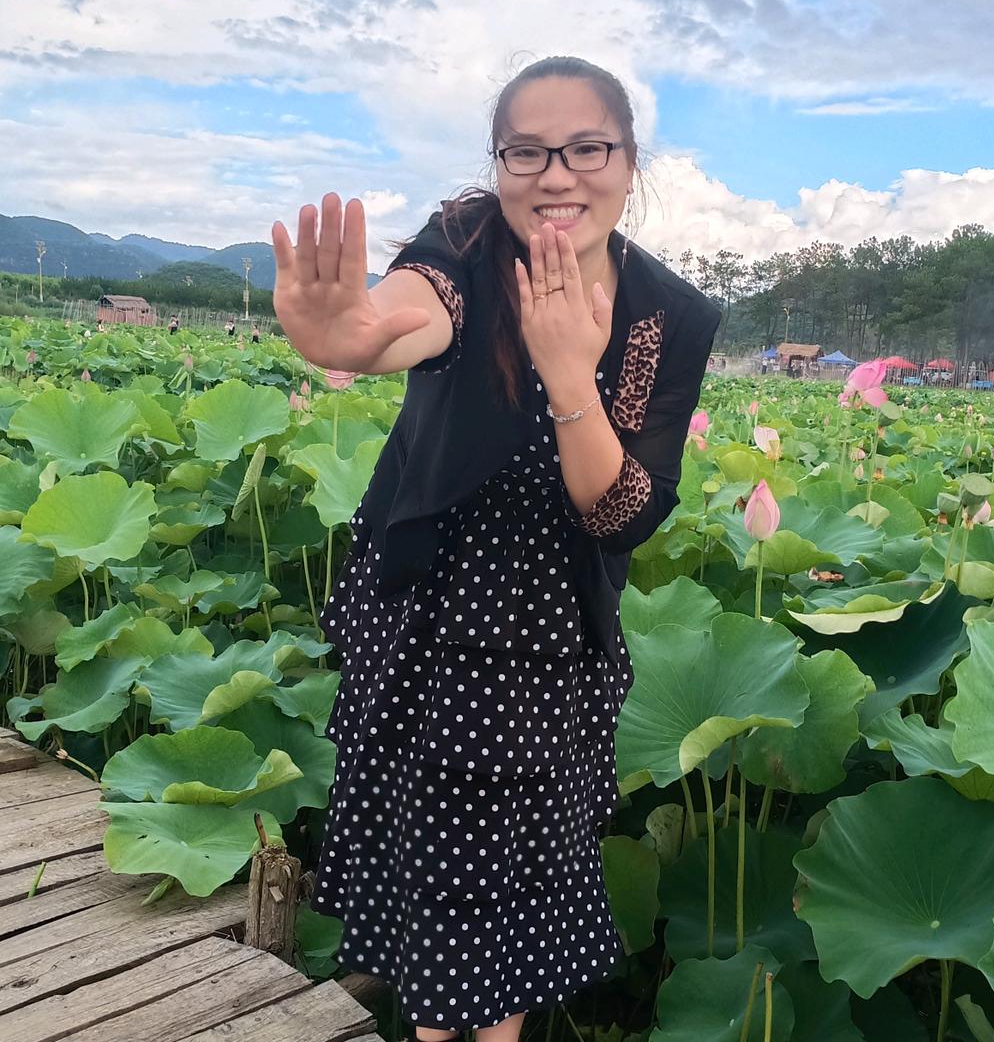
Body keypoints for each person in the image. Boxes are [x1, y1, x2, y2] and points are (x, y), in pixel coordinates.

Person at [270, 56, 719, 1042]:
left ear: (629, 161)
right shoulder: (467, 243)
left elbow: (623, 511)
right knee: (431, 857)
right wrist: (353, 335)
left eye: (586, 148)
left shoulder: (668, 316)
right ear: (500, 160)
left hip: (556, 632)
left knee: (518, 869)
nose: (555, 174)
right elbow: (412, 314)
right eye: (527, 150)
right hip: (435, 611)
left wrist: (570, 376)